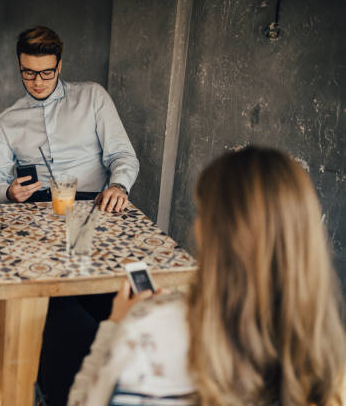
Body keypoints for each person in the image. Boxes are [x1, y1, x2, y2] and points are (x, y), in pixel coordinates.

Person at [0, 25, 139, 386]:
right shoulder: (8, 119)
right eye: (29, 73)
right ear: (20, 67)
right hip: (25, 205)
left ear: (59, 65)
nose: (37, 81)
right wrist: (7, 192)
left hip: (85, 204)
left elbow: (122, 155)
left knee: (82, 295)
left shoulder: (93, 97)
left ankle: (91, 356)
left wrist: (118, 184)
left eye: (46, 72)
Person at [67, 146, 346, 406]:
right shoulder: (329, 354)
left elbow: (83, 400)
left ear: (210, 231)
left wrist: (117, 323)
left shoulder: (149, 327)